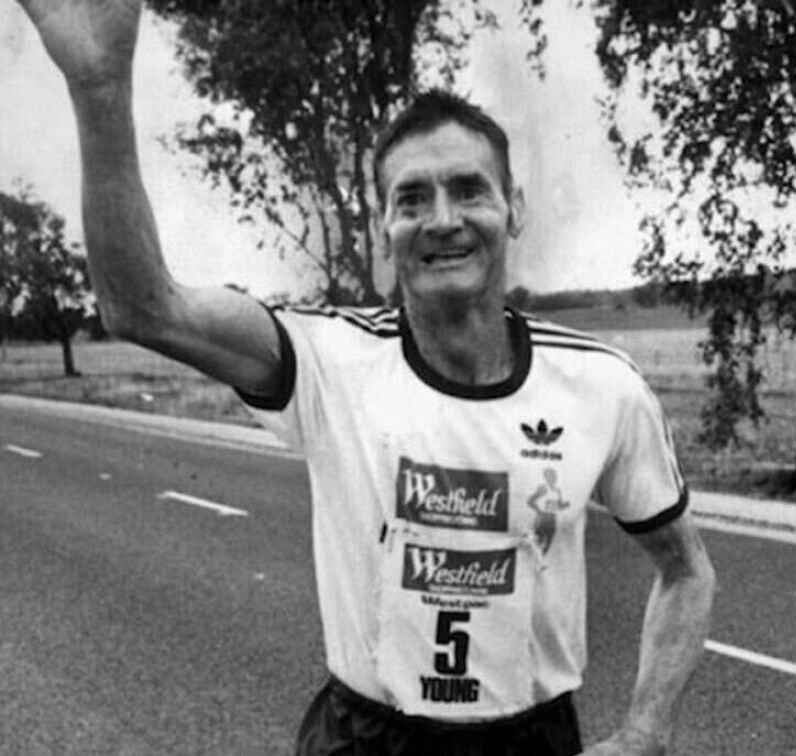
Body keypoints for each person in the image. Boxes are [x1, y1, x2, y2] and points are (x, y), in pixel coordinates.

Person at [17, 1, 716, 754]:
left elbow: (686, 571)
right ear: (384, 229)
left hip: (531, 737)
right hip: (365, 736)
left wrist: (645, 732)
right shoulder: (326, 358)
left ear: (513, 209)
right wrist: (99, 89)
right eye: (411, 199)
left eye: (469, 189)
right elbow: (143, 308)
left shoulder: (602, 387)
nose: (442, 219)